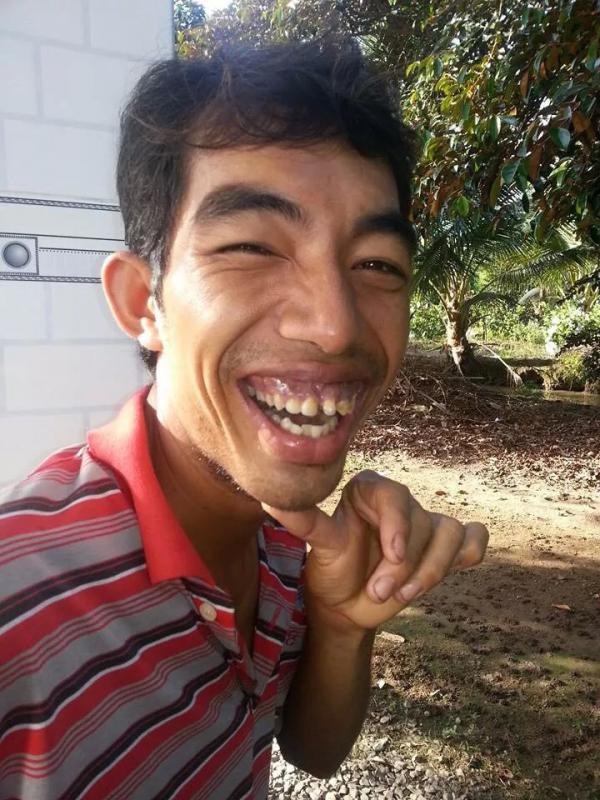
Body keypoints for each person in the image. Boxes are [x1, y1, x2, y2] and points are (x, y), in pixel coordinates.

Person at [0, 40, 488, 799]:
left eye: (377, 264)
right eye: (253, 246)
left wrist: (342, 624)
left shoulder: (285, 535)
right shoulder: (19, 604)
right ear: (141, 303)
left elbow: (311, 751)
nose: (336, 326)